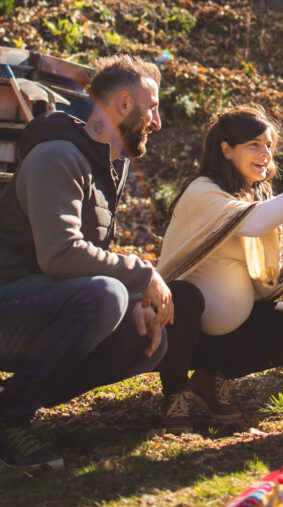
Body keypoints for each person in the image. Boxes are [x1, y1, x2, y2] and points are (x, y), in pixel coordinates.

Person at [0, 54, 173, 470]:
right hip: (10, 303)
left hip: (43, 305)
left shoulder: (109, 166)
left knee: (148, 339)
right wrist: (141, 272)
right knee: (106, 296)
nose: (157, 121)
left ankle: (14, 405)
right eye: (152, 107)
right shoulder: (57, 156)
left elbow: (84, 265)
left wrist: (135, 299)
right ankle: (10, 420)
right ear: (125, 105)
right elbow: (60, 255)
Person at [156, 106, 283, 432]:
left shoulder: (261, 198)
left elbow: (265, 288)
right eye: (254, 144)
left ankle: (210, 379)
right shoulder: (202, 191)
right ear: (226, 150)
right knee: (183, 297)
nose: (266, 153)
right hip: (174, 333)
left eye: (269, 145)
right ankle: (175, 394)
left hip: (226, 335)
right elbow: (255, 223)